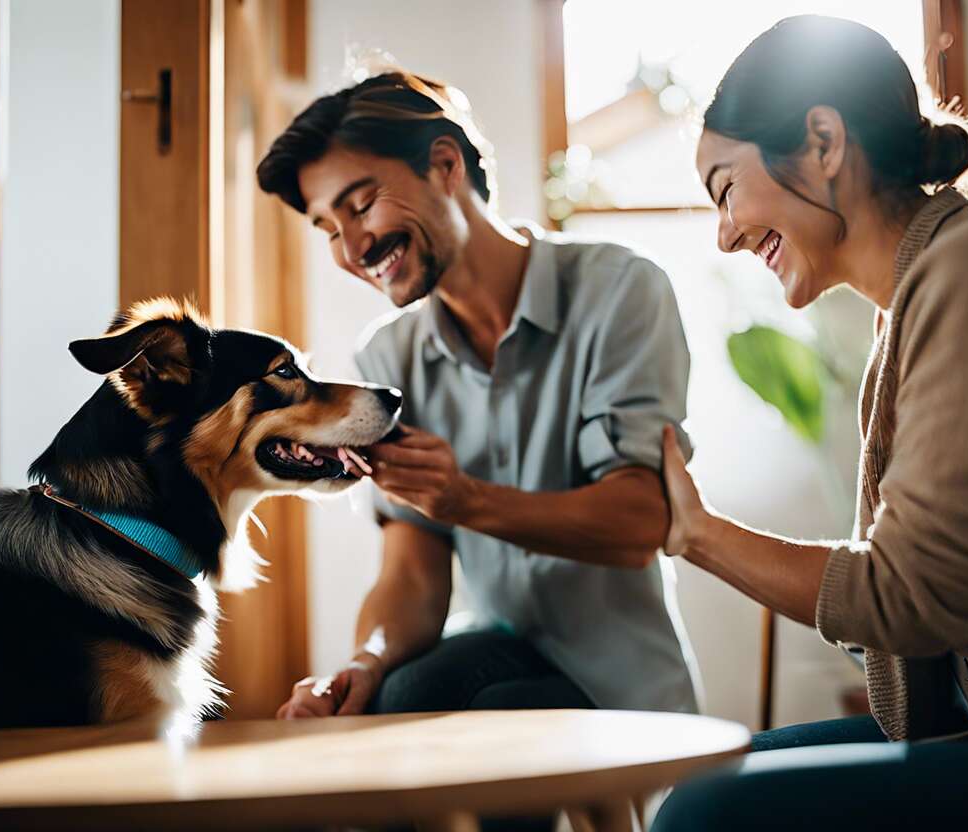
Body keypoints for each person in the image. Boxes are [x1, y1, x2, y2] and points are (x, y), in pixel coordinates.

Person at [653, 15, 968, 832]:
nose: (724, 233)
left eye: (725, 188)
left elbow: (914, 601)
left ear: (824, 141)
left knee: (708, 815)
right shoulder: (918, 304)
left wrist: (694, 531)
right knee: (727, 769)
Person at [256, 71, 700, 727]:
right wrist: (364, 662)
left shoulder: (621, 290)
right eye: (328, 228)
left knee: (494, 713)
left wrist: (465, 499)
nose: (352, 249)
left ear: (444, 165)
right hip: (498, 651)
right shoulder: (389, 357)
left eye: (360, 204)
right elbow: (412, 572)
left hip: (621, 682)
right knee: (396, 697)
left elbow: (640, 522)